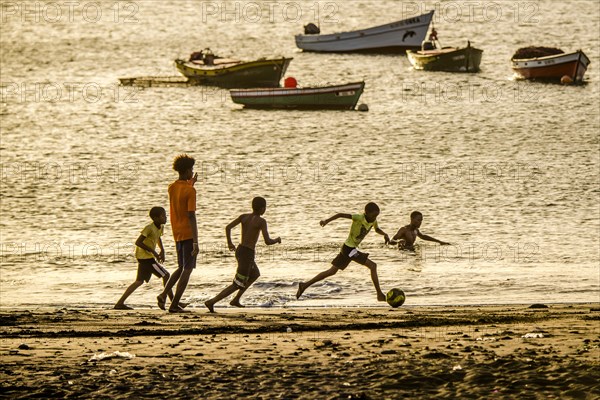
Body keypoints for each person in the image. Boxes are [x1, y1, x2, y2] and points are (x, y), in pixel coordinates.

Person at [296, 202, 390, 302]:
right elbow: (340, 215)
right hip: (349, 249)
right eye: (373, 215)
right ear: (366, 213)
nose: (375, 218)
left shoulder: (373, 220)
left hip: (348, 249)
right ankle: (379, 295)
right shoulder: (358, 218)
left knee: (331, 272)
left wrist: (384, 234)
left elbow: (377, 229)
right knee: (373, 266)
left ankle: (304, 285)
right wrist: (326, 221)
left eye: (377, 215)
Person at [204, 197, 281, 313]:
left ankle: (236, 299)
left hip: (240, 250)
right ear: (262, 209)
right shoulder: (261, 221)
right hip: (248, 254)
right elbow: (267, 241)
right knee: (236, 284)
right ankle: (212, 301)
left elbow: (228, 227)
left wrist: (230, 243)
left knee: (255, 274)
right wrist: (277, 240)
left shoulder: (244, 217)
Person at [157, 154, 199, 313]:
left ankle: (163, 296)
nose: (192, 172)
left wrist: (191, 183)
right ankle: (174, 304)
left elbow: (183, 191)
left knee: (181, 267)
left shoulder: (172, 187)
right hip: (188, 234)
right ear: (188, 170)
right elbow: (191, 216)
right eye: (192, 170)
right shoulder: (190, 191)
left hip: (177, 233)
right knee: (187, 270)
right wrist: (196, 241)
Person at [114, 207, 172, 310]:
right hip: (146, 258)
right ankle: (172, 302)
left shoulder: (161, 227)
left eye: (165, 215)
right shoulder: (149, 228)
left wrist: (162, 250)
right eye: (163, 216)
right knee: (166, 275)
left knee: (139, 281)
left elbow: (158, 238)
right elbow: (138, 242)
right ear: (155, 218)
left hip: (145, 258)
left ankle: (120, 303)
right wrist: (153, 251)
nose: (166, 217)